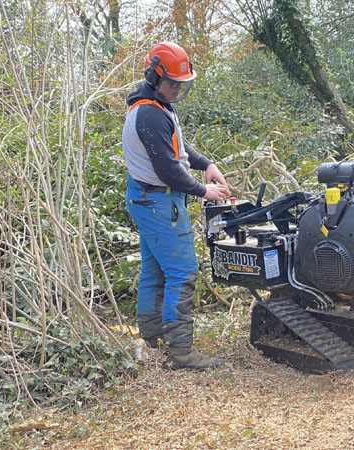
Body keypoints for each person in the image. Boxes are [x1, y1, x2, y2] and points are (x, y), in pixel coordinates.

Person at [122, 42, 229, 370]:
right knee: (182, 271)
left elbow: (177, 149)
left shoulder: (155, 104)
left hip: (146, 196)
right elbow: (169, 169)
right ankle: (180, 352)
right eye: (172, 84)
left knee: (154, 268)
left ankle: (152, 338)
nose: (177, 90)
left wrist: (206, 164)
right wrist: (204, 191)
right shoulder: (151, 114)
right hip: (158, 199)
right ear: (155, 76)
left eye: (182, 85)